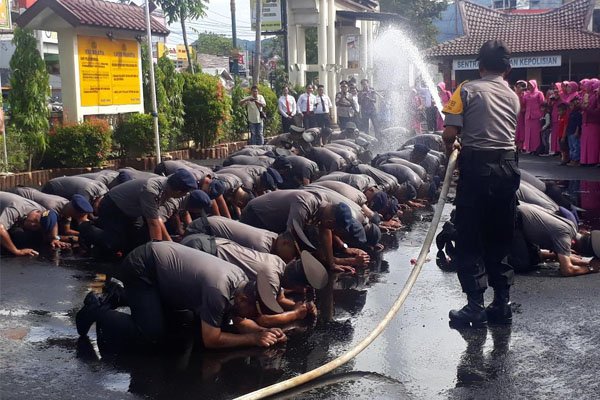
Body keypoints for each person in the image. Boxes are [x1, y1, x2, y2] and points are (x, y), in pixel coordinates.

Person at [75, 241, 287, 351]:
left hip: (164, 271)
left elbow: (239, 319)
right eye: (254, 312)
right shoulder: (219, 290)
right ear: (244, 300)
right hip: (144, 267)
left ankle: (118, 294)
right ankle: (97, 309)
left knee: (183, 322)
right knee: (151, 334)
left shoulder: (241, 283)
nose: (253, 318)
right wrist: (252, 339)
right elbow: (211, 340)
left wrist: (264, 331)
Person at [442, 40, 521, 327]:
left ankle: (475, 307)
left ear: (479, 66)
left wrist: (451, 150)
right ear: (508, 69)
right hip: (509, 168)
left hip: (477, 169)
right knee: (500, 236)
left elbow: (450, 133)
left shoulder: (467, 89)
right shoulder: (514, 95)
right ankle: (502, 305)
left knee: (470, 237)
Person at [78, 169, 198, 255]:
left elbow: (156, 219)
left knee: (137, 240)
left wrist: (170, 245)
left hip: (133, 211)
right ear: (177, 191)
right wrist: (159, 254)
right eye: (184, 192)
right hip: (113, 206)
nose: (185, 195)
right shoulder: (152, 190)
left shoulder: (167, 189)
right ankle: (85, 228)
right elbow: (153, 223)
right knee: (113, 243)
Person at [517, 203, 599, 276]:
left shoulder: (571, 227)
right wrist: (590, 268)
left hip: (518, 210)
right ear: (573, 243)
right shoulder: (565, 236)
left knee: (531, 252)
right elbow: (567, 270)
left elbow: (562, 255)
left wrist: (586, 263)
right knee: (523, 262)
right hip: (514, 218)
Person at [184, 216, 298, 262]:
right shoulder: (261, 248)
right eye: (292, 254)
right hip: (201, 230)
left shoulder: (272, 236)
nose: (291, 259)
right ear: (285, 243)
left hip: (208, 223)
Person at [9, 187, 93, 239]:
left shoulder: (67, 207)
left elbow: (66, 230)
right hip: (15, 196)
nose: (81, 217)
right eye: (80, 215)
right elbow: (51, 237)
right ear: (74, 211)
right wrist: (73, 239)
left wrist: (84, 235)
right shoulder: (51, 208)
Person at [0, 192, 63, 256]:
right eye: (35, 220)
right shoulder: (17, 209)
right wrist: (16, 251)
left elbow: (53, 220)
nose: (32, 224)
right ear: (37, 211)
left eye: (36, 226)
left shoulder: (43, 212)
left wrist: (54, 238)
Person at [41, 175, 108, 214]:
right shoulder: (86, 192)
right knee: (54, 212)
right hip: (53, 187)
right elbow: (83, 211)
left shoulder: (105, 189)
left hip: (66, 187)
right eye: (98, 208)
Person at [581, 79, 600, 166]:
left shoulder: (596, 98)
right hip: (586, 122)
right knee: (585, 143)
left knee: (592, 144)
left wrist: (585, 108)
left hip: (593, 123)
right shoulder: (587, 96)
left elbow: (597, 112)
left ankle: (592, 160)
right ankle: (585, 160)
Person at [523, 80, 545, 153]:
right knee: (528, 133)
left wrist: (542, 115)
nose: (529, 87)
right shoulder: (526, 94)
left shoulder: (539, 93)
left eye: (531, 85)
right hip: (528, 116)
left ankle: (536, 149)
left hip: (536, 116)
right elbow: (523, 103)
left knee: (535, 134)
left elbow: (542, 104)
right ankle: (529, 148)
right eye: (528, 85)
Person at [566, 97, 582, 166]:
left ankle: (576, 160)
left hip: (574, 132)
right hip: (570, 131)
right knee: (571, 146)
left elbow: (578, 124)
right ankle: (572, 159)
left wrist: (577, 132)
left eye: (572, 105)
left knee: (576, 146)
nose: (570, 107)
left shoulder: (578, 114)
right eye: (570, 105)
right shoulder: (571, 113)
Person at [514, 80, 527, 151]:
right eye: (518, 87)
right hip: (515, 114)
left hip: (522, 115)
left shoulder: (525, 95)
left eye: (521, 87)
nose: (519, 88)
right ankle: (516, 146)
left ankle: (522, 146)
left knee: (522, 131)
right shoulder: (514, 94)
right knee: (515, 130)